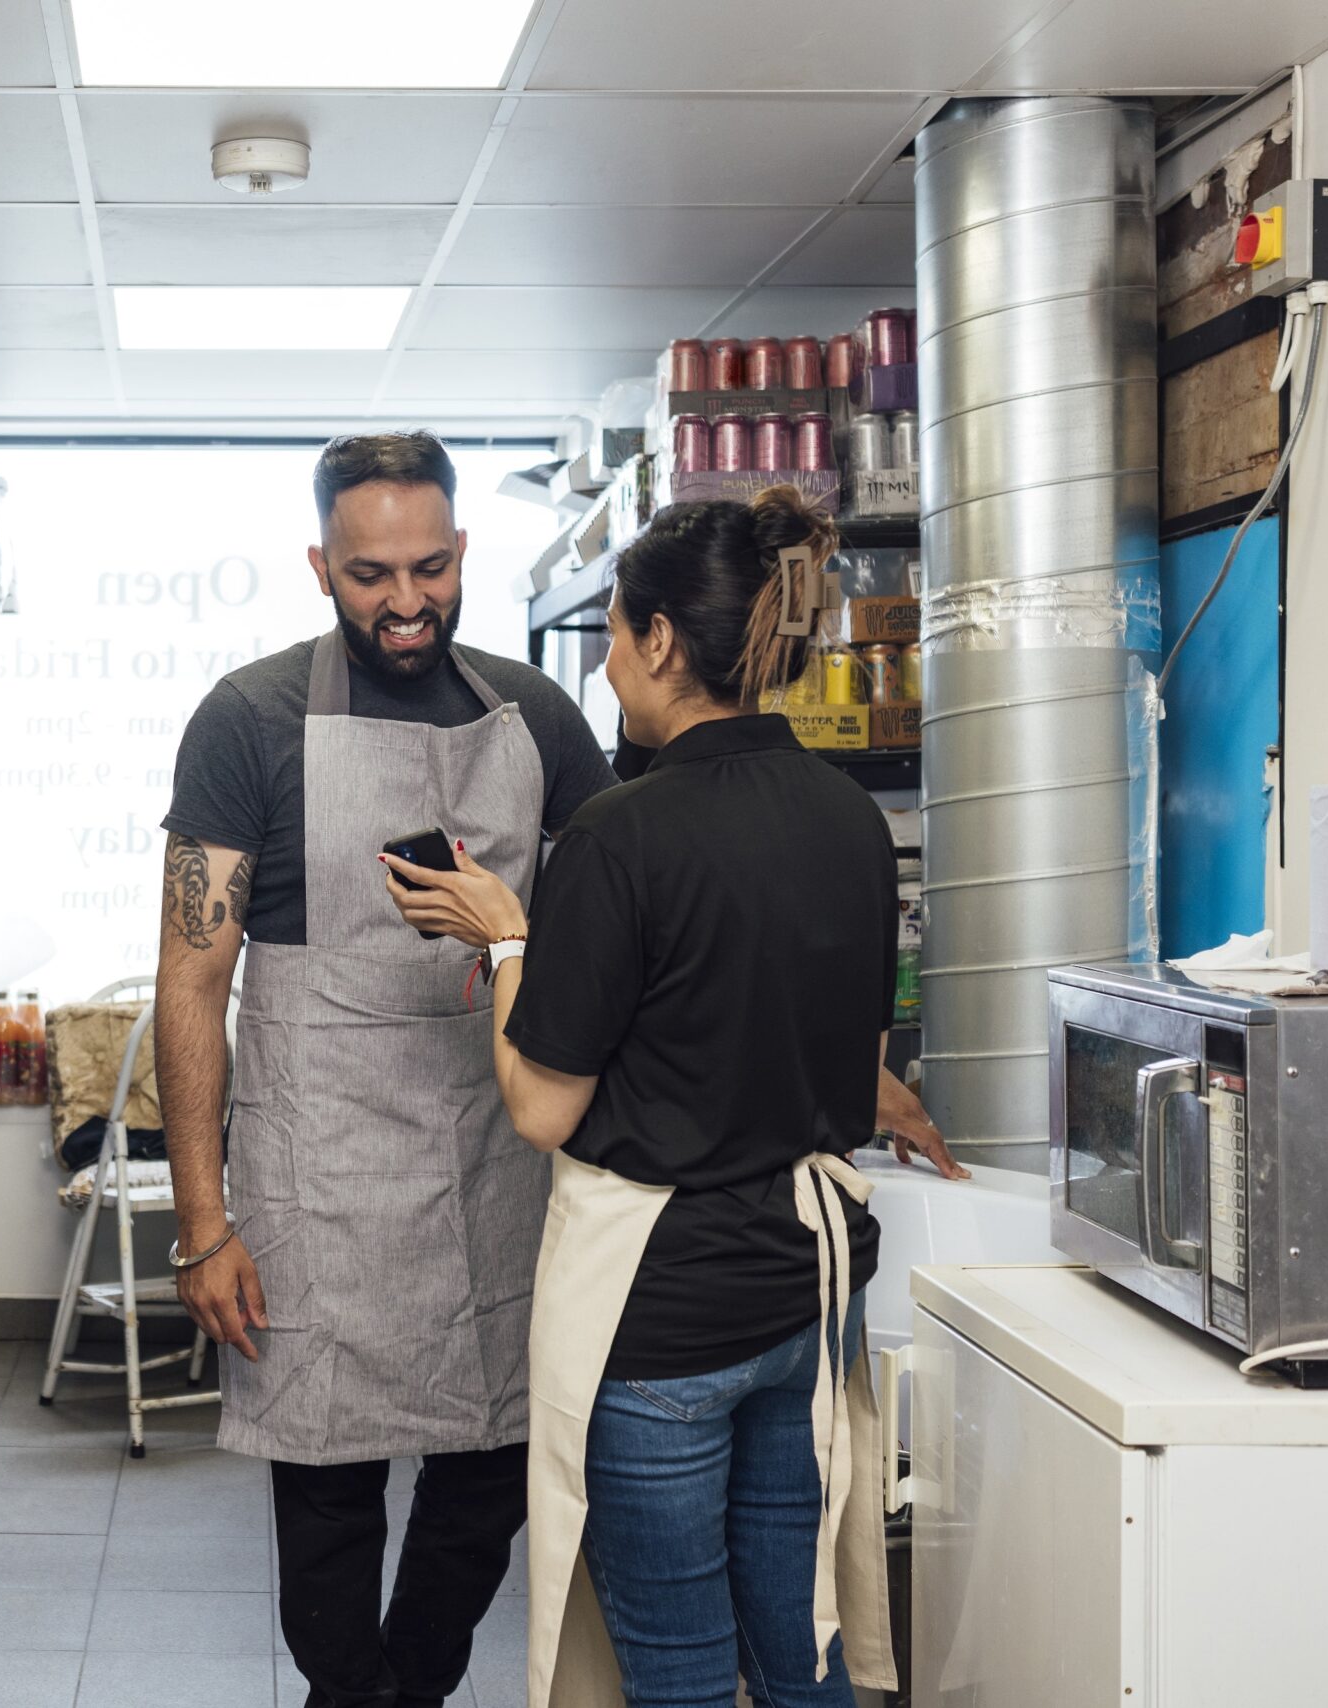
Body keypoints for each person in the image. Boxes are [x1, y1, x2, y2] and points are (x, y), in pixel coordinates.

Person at [384, 486, 941, 1707]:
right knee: (800, 1646)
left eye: (613, 637)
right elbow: (846, 1061)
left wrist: (507, 938)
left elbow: (542, 1108)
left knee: (679, 1669)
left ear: (659, 638)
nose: (606, 666)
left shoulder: (619, 837)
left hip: (662, 1322)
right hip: (802, 1301)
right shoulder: (850, 819)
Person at [156, 431, 617, 1708]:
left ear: (462, 550)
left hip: (496, 1155)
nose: (405, 601)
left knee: (491, 1463)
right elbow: (191, 980)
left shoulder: (536, 717)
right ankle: (350, 1687)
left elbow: (617, 919)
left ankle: (405, 1685)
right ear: (320, 566)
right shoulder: (248, 719)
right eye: (369, 575)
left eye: (429, 568)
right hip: (321, 1167)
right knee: (325, 1482)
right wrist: (202, 1221)